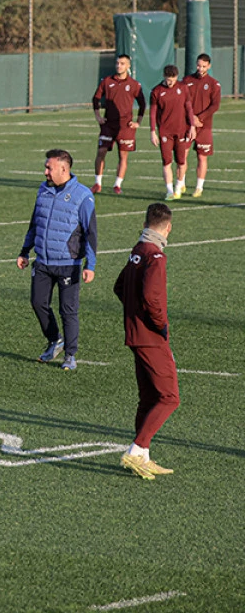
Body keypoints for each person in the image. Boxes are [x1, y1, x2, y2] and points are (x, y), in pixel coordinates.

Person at [113, 203, 180, 480]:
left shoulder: (137, 252)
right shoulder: (155, 256)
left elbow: (119, 287)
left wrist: (134, 314)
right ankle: (136, 448)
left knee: (149, 397)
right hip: (151, 338)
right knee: (169, 397)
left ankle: (144, 456)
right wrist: (160, 325)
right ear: (168, 228)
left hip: (135, 334)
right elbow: (152, 298)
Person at [16, 149, 97, 371]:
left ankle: (70, 355)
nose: (45, 172)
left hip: (68, 263)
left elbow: (90, 233)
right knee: (38, 302)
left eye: (49, 168)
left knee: (67, 310)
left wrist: (90, 265)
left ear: (63, 168)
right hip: (42, 261)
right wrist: (25, 251)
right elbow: (35, 223)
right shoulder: (43, 190)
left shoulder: (82, 195)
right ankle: (55, 340)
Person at [91, 52, 145, 194]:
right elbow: (96, 98)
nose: (119, 66)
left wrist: (138, 122)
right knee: (101, 152)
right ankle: (97, 183)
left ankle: (117, 185)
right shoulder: (107, 81)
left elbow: (143, 104)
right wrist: (98, 116)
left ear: (128, 66)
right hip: (108, 124)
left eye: (122, 64)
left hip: (125, 126)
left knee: (123, 155)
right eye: (117, 63)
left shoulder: (134, 85)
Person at [148, 65, 196, 201]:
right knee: (166, 162)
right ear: (164, 76)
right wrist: (153, 131)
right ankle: (169, 191)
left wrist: (192, 126)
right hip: (165, 132)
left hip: (181, 130)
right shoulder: (156, 91)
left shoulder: (183, 88)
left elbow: (188, 108)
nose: (171, 83)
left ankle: (178, 186)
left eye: (173, 80)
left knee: (181, 161)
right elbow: (152, 113)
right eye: (169, 80)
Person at [182, 53, 222, 198]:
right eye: (199, 65)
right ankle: (181, 183)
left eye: (204, 66)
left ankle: (199, 187)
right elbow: (182, 101)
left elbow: (215, 105)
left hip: (204, 126)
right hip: (187, 125)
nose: (201, 68)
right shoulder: (187, 80)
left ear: (209, 66)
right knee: (182, 155)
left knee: (202, 157)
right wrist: (191, 117)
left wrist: (200, 118)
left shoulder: (213, 84)